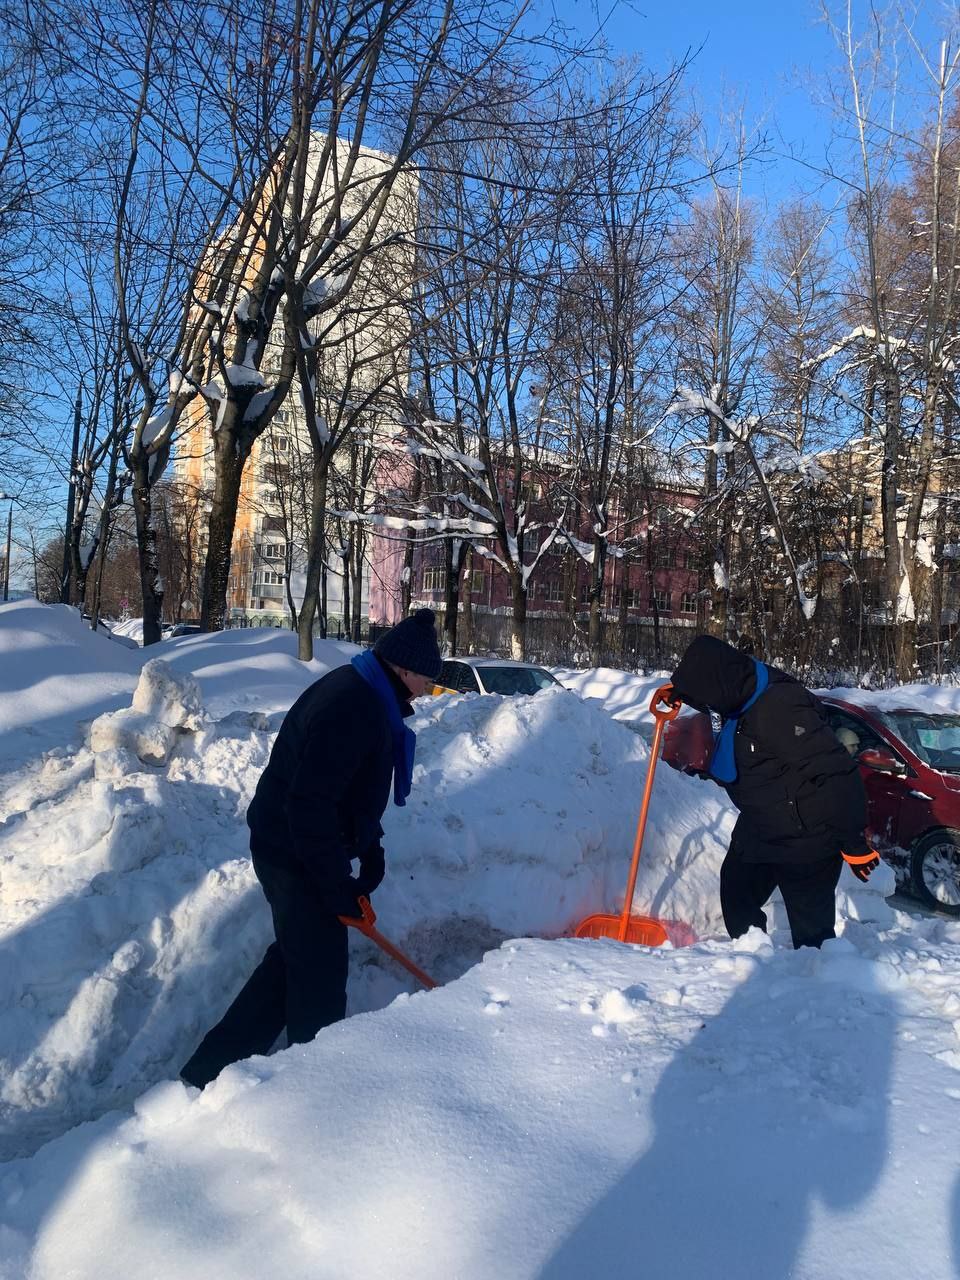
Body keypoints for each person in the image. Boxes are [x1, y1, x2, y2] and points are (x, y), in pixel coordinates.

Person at [180, 608, 442, 1088]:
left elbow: (349, 793)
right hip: (291, 848)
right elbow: (309, 804)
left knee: (295, 963)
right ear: (404, 669)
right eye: (428, 678)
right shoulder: (353, 706)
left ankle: (207, 1076)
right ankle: (314, 1096)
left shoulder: (369, 695)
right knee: (319, 976)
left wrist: (370, 846)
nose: (429, 690)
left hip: (300, 843)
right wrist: (334, 884)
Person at [666, 634, 879, 950]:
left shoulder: (783, 709)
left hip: (807, 839)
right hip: (761, 826)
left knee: (812, 940)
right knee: (737, 893)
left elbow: (837, 772)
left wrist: (853, 843)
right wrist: (683, 691)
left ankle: (820, 988)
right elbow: (723, 696)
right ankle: (756, 960)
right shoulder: (743, 683)